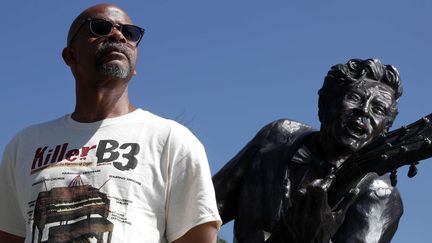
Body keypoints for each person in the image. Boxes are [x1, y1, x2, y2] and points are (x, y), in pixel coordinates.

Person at [0, 3, 221, 243]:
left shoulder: (171, 140)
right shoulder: (25, 145)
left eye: (130, 33)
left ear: (134, 65)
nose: (118, 35)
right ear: (69, 56)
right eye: (100, 27)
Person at [213, 58, 404, 242]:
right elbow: (205, 209)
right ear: (324, 103)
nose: (364, 111)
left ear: (384, 130)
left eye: (378, 109)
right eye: (354, 98)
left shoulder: (380, 195)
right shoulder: (278, 137)